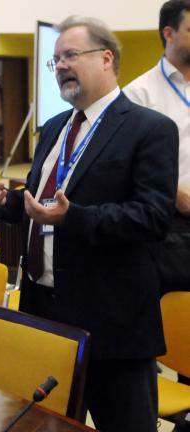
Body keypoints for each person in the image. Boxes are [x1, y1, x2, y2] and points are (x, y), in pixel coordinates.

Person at [0, 16, 178, 432]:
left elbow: (153, 217)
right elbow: (39, 206)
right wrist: (5, 201)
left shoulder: (149, 129)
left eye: (71, 55)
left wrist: (75, 218)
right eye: (55, 60)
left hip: (111, 321)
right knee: (51, 425)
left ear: (106, 58)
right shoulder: (52, 129)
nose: (61, 66)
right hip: (44, 313)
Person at [124, 0, 190, 387]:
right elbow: (134, 169)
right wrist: (175, 194)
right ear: (169, 33)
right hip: (168, 227)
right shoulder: (140, 93)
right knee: (166, 326)